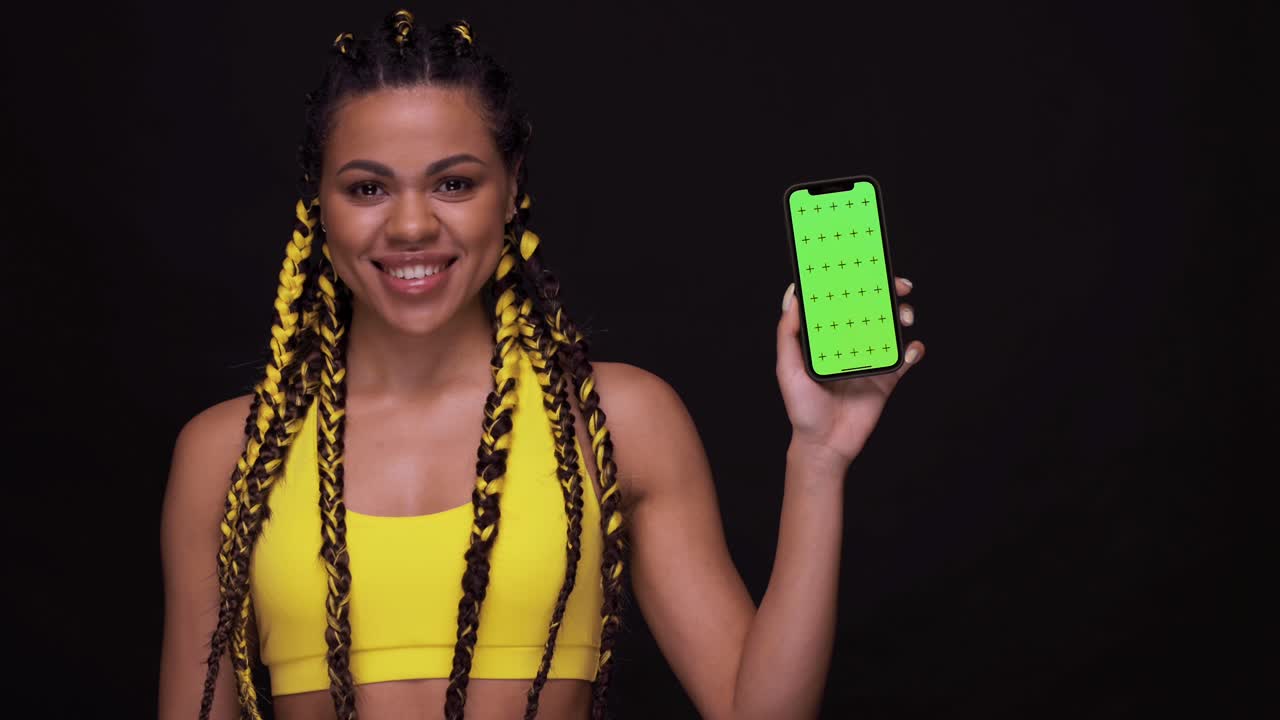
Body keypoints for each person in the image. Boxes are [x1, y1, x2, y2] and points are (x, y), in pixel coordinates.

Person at [158, 9, 926, 720]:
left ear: (511, 188)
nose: (412, 225)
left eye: (454, 183)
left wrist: (818, 458)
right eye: (367, 188)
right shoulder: (226, 454)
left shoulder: (620, 420)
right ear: (319, 205)